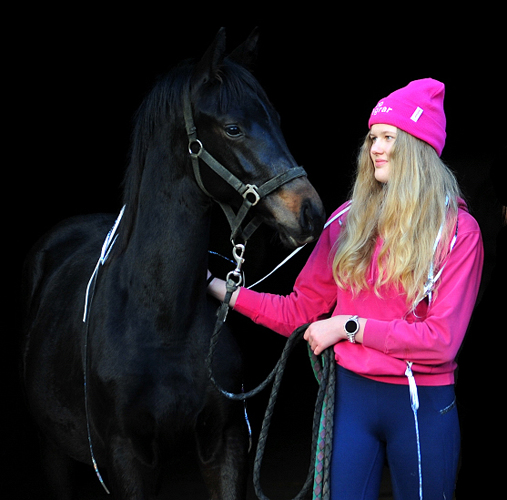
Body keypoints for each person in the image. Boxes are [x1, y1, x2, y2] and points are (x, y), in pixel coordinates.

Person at [207, 78, 484, 500]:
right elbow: (298, 313)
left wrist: (348, 327)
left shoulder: (459, 232)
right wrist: (221, 290)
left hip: (421, 405)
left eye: (389, 136)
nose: (375, 146)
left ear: (417, 147)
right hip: (352, 400)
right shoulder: (346, 221)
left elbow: (441, 343)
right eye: (372, 136)